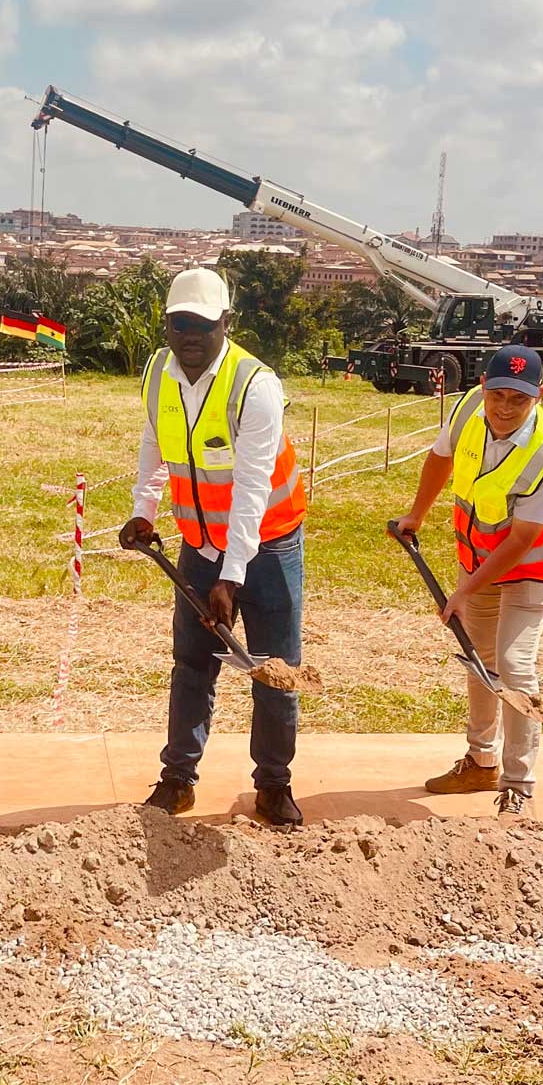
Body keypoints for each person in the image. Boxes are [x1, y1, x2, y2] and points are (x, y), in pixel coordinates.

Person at [119, 267, 307, 828]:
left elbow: (251, 485)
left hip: (268, 548)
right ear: (167, 325)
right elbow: (155, 442)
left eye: (202, 325)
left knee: (273, 671)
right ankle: (178, 779)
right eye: (180, 324)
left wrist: (232, 575)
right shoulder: (159, 373)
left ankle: (273, 785)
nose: (190, 336)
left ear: (226, 322)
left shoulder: (255, 385)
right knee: (192, 665)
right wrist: (144, 509)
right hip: (200, 547)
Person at [395, 343, 543, 818]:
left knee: (514, 667)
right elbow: (440, 459)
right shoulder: (467, 411)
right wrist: (416, 515)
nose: (505, 407)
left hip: (531, 569)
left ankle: (518, 785)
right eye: (498, 394)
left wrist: (463, 592)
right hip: (478, 561)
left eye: (519, 399)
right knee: (478, 661)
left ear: (539, 395)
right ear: (482, 386)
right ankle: (481, 763)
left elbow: (521, 540)